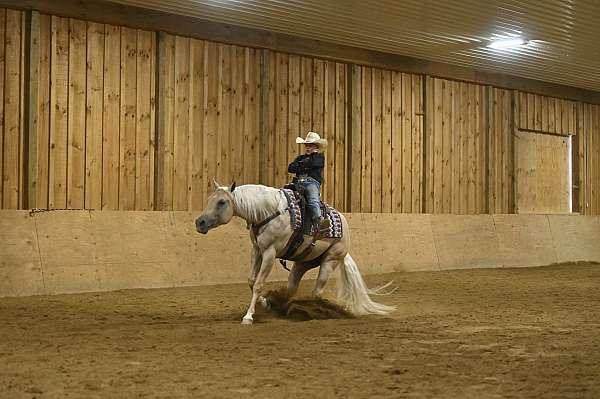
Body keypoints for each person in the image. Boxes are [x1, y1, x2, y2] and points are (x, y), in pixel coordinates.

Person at [287, 132, 330, 231]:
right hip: (298, 183)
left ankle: (318, 221)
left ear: (316, 147)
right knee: (285, 194)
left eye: (310, 145)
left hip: (312, 183)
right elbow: (291, 168)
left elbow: (314, 163)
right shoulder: (301, 158)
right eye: (306, 145)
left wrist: (301, 165)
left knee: (312, 199)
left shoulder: (319, 157)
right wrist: (306, 163)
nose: (307, 147)